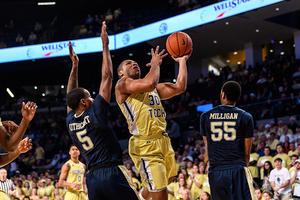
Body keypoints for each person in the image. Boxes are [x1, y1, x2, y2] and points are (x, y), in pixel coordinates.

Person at [65, 21, 139, 200]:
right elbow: (107, 77)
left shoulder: (70, 121)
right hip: (112, 173)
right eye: (89, 96)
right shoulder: (95, 111)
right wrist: (105, 45)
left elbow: (70, 95)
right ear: (83, 102)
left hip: (92, 179)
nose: (93, 98)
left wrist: (75, 66)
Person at [115, 35, 192, 199]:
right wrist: (155, 64)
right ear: (121, 73)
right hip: (146, 146)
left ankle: (141, 197)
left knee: (160, 183)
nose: (134, 63)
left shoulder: (153, 87)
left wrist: (182, 61)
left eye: (135, 62)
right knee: (161, 192)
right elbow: (150, 83)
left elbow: (180, 86)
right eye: (129, 63)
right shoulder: (122, 85)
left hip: (163, 141)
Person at [200, 81, 256, 200]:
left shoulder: (205, 116)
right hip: (237, 169)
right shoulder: (246, 117)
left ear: (223, 95)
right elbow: (246, 153)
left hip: (216, 171)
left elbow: (208, 147)